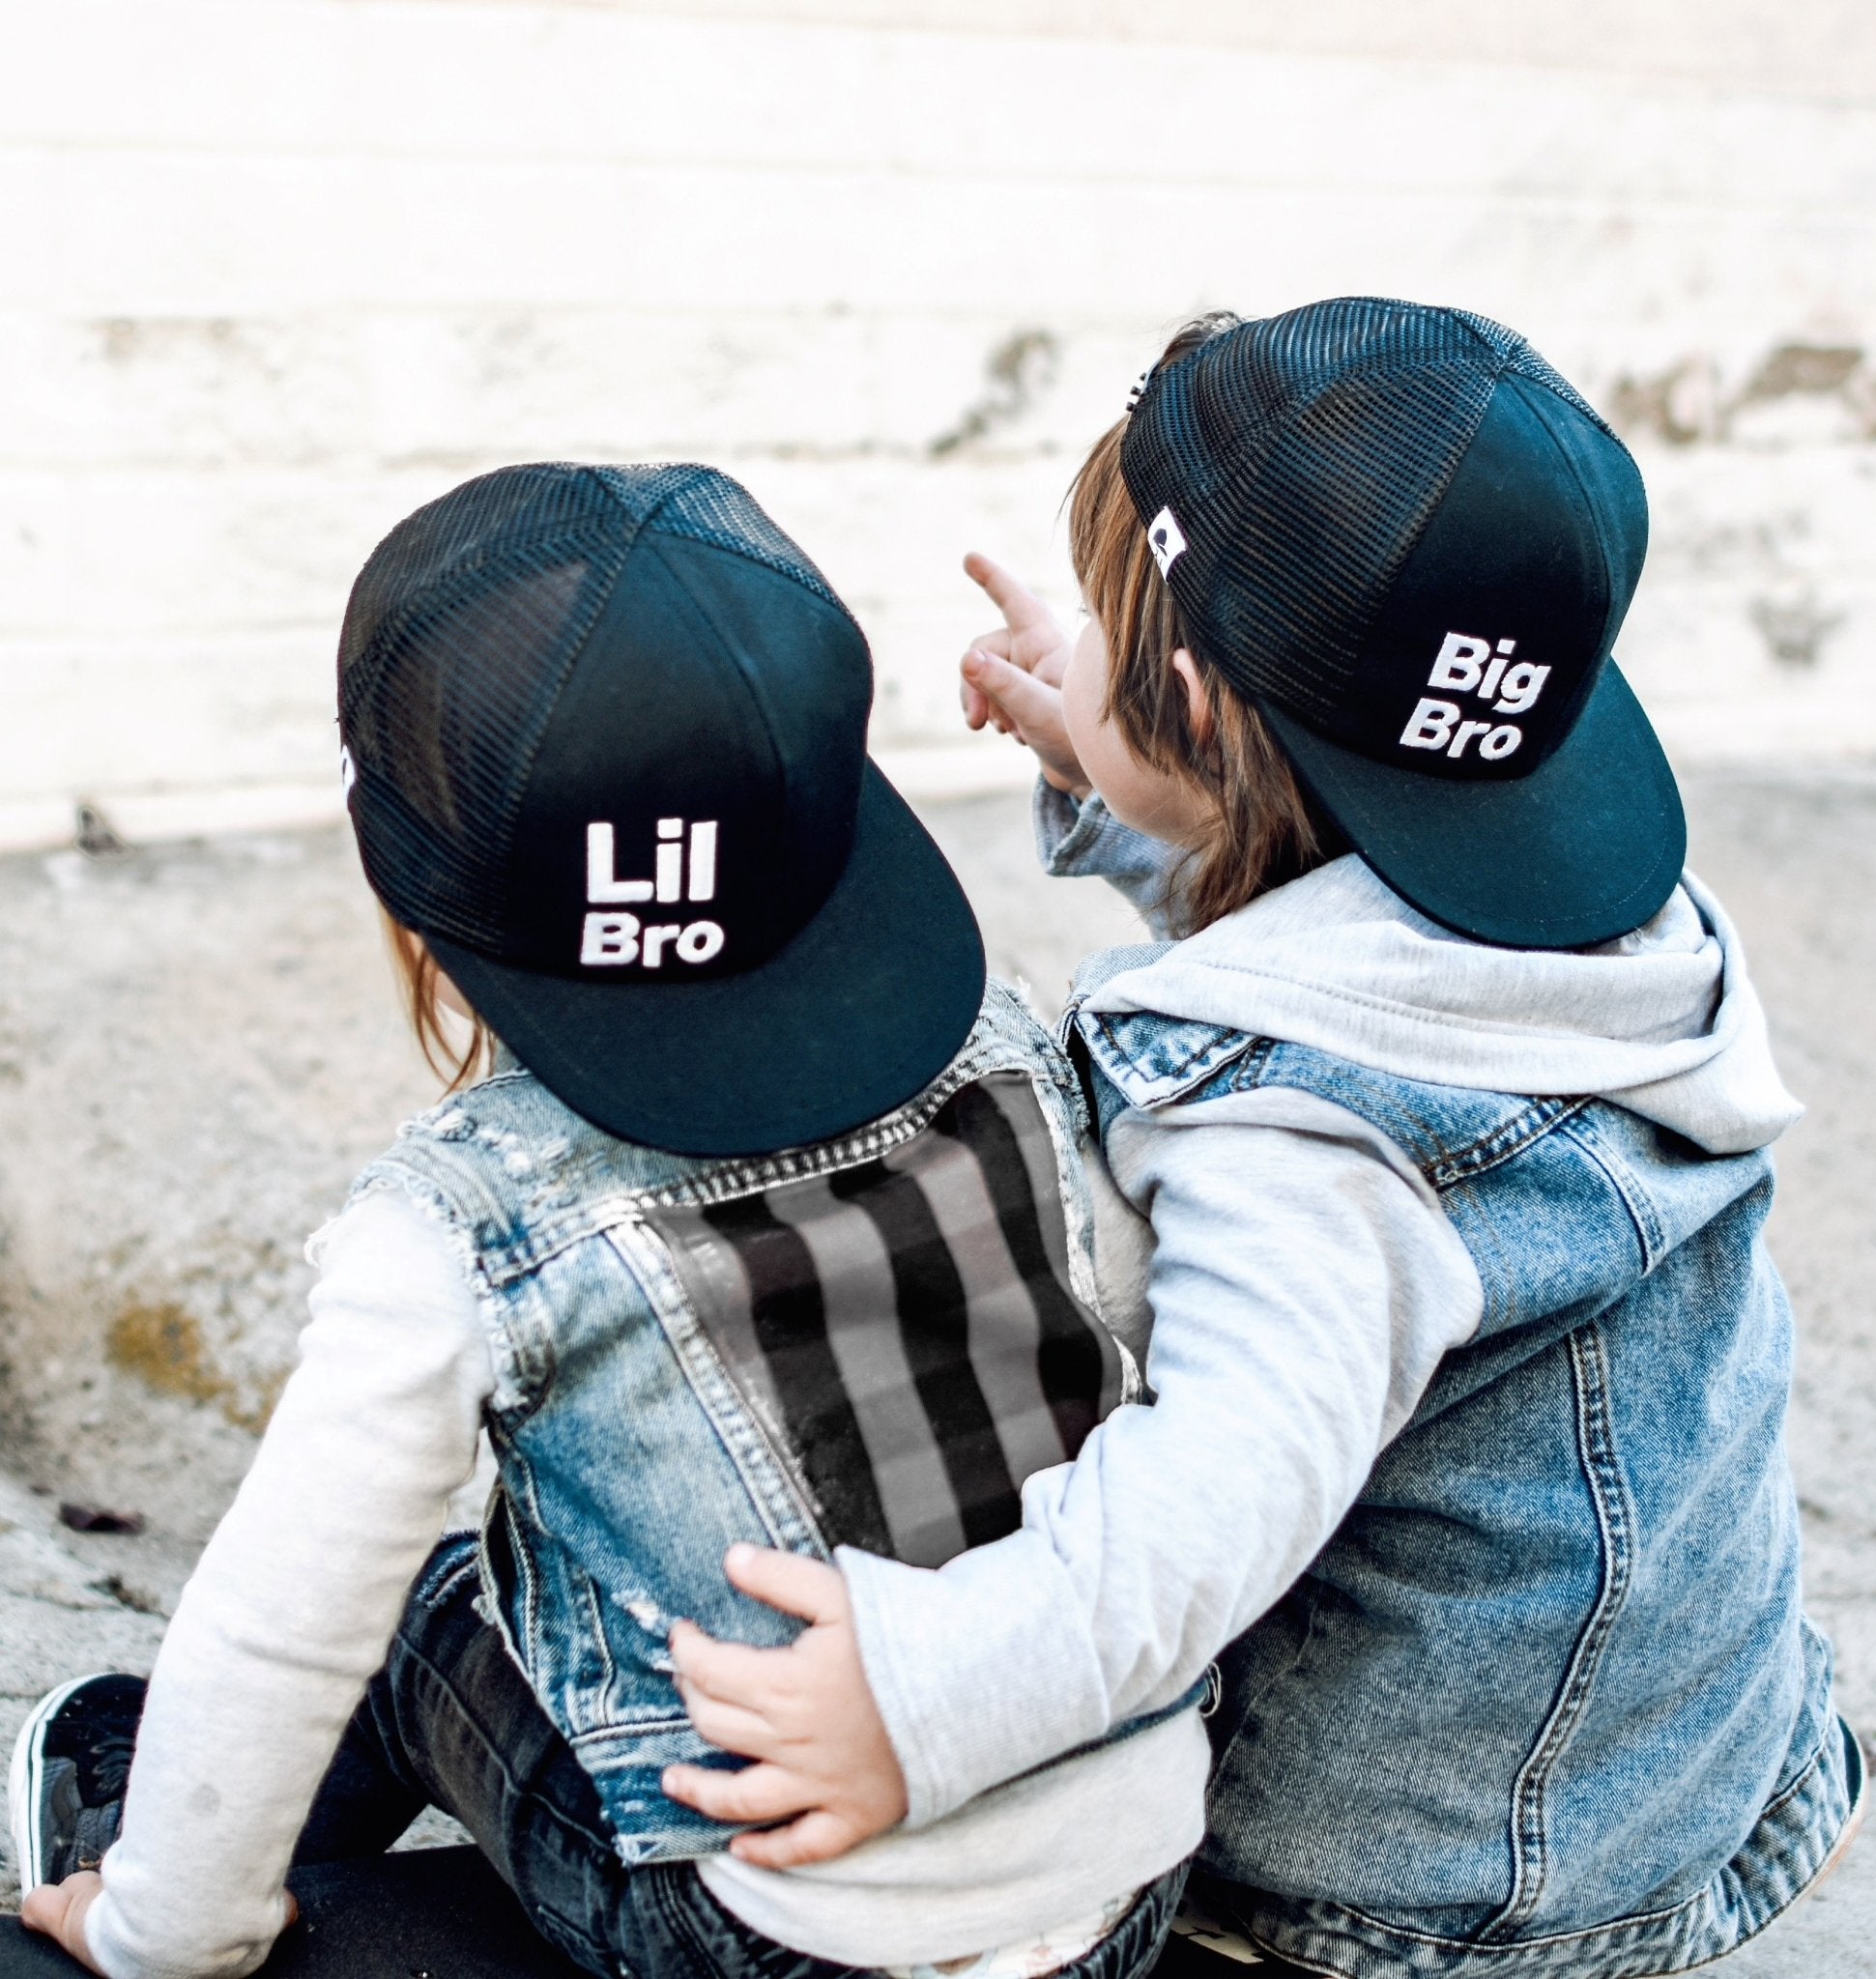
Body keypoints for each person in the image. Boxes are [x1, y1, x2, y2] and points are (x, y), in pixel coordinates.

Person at [689, 300, 1867, 1978]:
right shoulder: (1608, 935)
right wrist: (1120, 769)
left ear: (1190, 701)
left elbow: (1210, 1500)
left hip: (1414, 1899)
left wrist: (923, 1697)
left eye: (1105, 636)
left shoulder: (1301, 1142)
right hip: (1710, 1775)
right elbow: (1361, 921)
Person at [8, 463, 1203, 1979]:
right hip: (1128, 1873)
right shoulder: (1021, 1049)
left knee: (429, 1606)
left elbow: (284, 1613)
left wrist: (155, 1935)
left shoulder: (463, 1226)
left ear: (410, 892)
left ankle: (170, 1835)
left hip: (776, 1938)